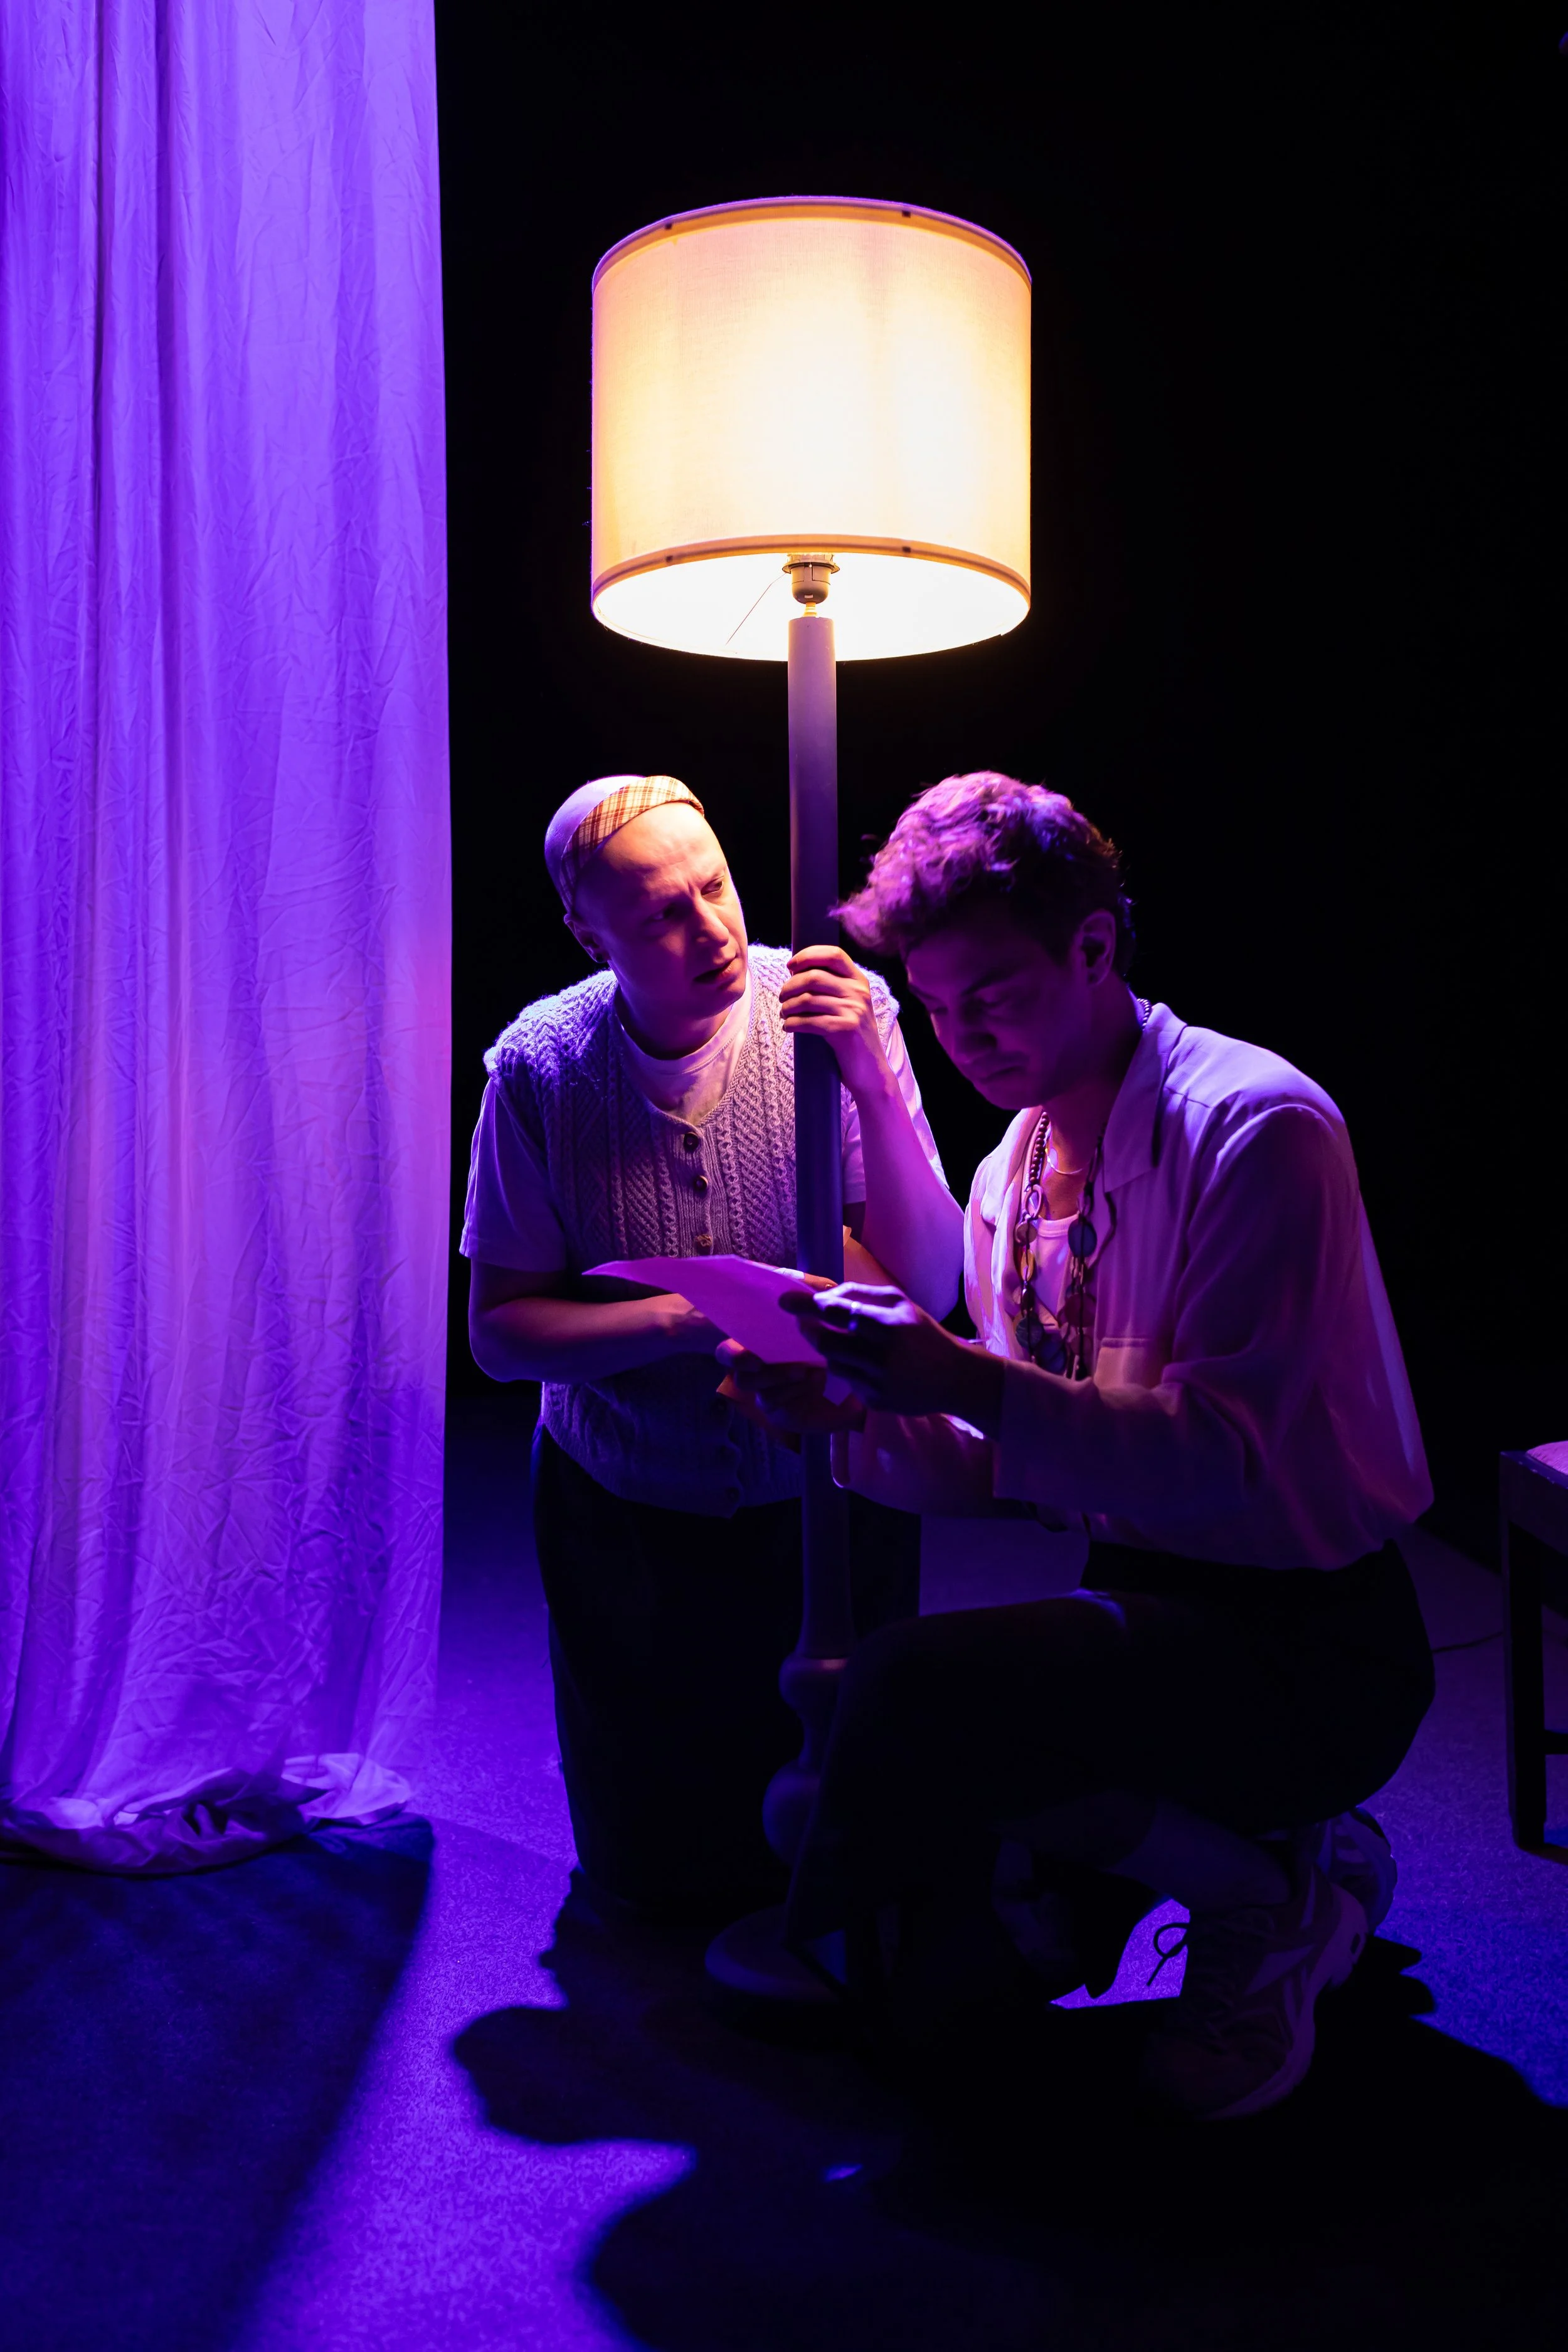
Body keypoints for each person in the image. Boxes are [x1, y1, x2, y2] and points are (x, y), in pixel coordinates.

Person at [727, 772, 1434, 2119]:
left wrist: (955, 1378)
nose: (961, 1035)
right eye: (932, 1007)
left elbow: (1212, 1462)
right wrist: (851, 1417)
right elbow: (1011, 1462)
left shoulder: (1256, 1130)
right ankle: (1262, 1865)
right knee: (951, 1758)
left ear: (1095, 948)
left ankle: (1261, 1894)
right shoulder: (1010, 1170)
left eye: (990, 993)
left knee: (917, 1695)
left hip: (1311, 1639)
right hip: (1150, 1607)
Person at [462, 773, 961, 1919]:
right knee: (653, 1881)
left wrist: (879, 1087)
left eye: (716, 886)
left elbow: (929, 1283)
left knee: (849, 1830)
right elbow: (501, 1334)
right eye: (659, 916)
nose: (712, 930)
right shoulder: (542, 1067)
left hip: (832, 1485)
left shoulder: (833, 1012)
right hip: (625, 1494)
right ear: (590, 934)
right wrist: (693, 1316)